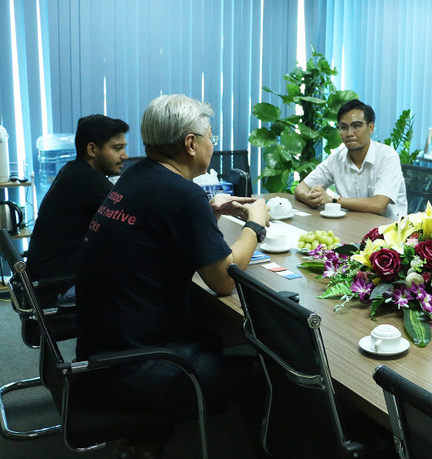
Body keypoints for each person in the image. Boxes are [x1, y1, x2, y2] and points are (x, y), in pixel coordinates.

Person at [75, 94, 269, 455]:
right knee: (260, 374)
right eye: (211, 135)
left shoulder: (137, 177)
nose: (214, 143)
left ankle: (146, 440)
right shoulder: (181, 194)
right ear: (191, 143)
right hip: (127, 368)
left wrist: (209, 213)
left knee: (210, 338)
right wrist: (256, 226)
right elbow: (224, 281)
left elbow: (159, 237)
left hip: (98, 351)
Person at [26, 114, 129, 305]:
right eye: (117, 148)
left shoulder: (72, 170)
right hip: (59, 286)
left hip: (45, 280)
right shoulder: (88, 180)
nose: (125, 155)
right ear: (92, 149)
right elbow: (134, 219)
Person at [294, 99, 407, 219]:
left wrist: (332, 200)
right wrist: (310, 198)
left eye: (356, 126)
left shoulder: (387, 157)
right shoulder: (336, 158)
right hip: (350, 226)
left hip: (387, 231)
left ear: (371, 127)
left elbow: (378, 205)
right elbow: (301, 188)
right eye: (343, 127)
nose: (349, 133)